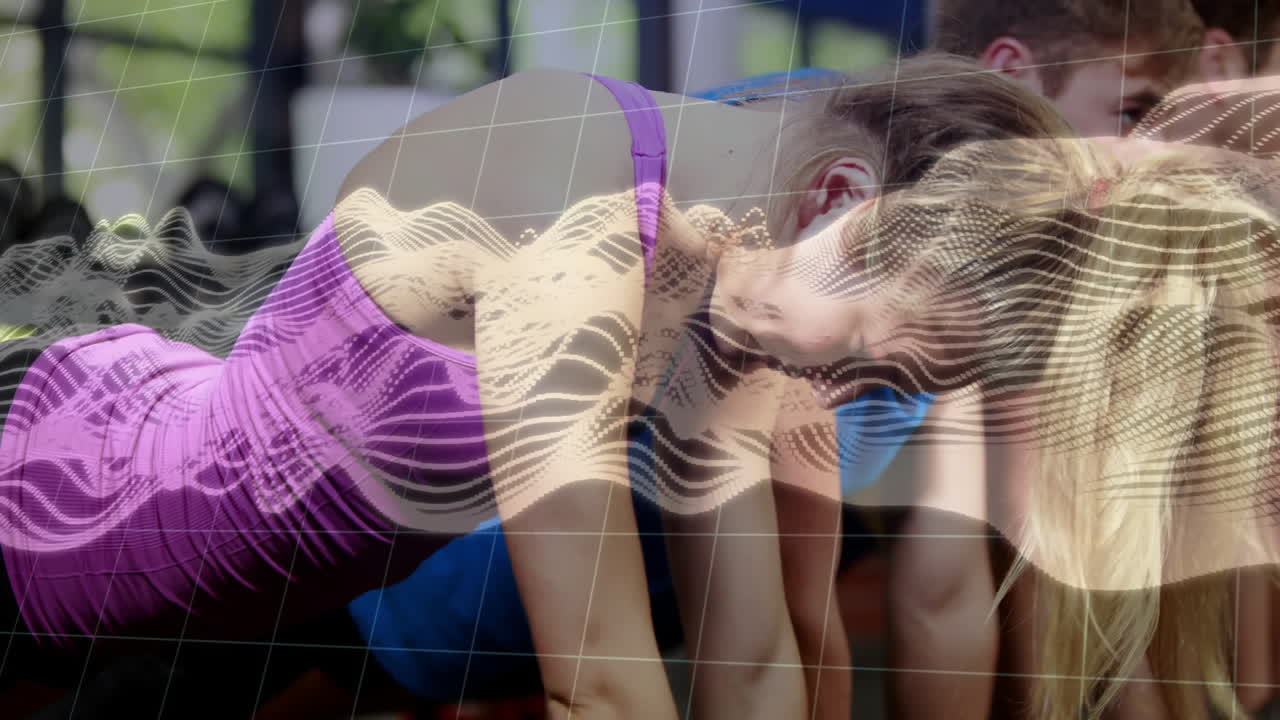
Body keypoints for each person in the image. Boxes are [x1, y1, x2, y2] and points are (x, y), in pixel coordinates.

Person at [0, 54, 1071, 720]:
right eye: (870, 362)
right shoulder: (564, 213)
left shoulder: (739, 281)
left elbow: (750, 659)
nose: (841, 402)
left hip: (154, 569)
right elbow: (597, 686)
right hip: (41, 491)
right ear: (838, 198)